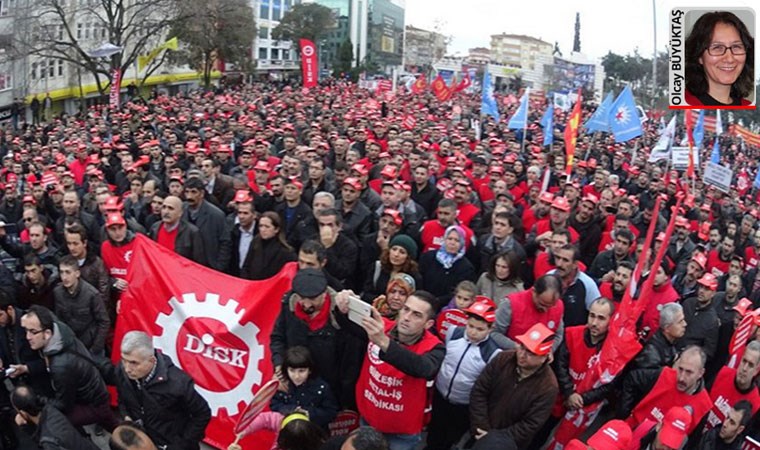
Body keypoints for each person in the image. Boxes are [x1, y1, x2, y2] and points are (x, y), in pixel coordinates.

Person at [334, 290, 445, 450]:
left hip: (401, 433)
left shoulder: (435, 348)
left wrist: (383, 342)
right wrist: (343, 306)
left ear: (428, 324)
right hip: (368, 419)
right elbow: (348, 325)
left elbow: (422, 367)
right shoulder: (382, 327)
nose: (407, 317)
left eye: (417, 315)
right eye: (406, 309)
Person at [19, 305, 119, 431]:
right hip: (96, 394)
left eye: (33, 332)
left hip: (93, 404)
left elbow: (64, 405)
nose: (28, 337)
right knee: (113, 426)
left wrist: (38, 399)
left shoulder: (60, 366)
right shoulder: (60, 330)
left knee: (58, 423)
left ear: (48, 333)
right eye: (26, 330)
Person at [271, 268, 358, 409]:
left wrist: (345, 402)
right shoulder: (288, 305)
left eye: (312, 299)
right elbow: (278, 338)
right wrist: (279, 365)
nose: (306, 304)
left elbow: (351, 362)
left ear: (324, 294)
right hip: (296, 387)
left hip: (330, 392)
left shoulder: (341, 315)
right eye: (301, 298)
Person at [110, 331, 211, 450]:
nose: (127, 369)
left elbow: (202, 414)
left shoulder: (178, 383)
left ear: (151, 361)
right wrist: (127, 416)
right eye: (124, 360)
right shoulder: (121, 371)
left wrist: (180, 445)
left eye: (133, 363)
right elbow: (123, 398)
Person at [468, 323, 560, 450]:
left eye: (531, 352)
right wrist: (481, 426)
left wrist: (493, 439)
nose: (522, 354)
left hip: (506, 445)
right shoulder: (502, 359)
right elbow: (480, 390)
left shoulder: (548, 387)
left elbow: (530, 424)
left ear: (544, 357)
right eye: (522, 347)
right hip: (479, 431)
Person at [426, 299, 501, 450]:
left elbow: (485, 383)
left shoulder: (493, 353)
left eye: (480, 329)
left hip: (463, 404)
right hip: (440, 394)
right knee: (434, 430)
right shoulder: (453, 332)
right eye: (470, 326)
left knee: (450, 437)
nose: (473, 332)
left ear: (490, 329)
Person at [620, 346, 712, 434]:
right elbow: (632, 378)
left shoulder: (703, 406)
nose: (681, 378)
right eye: (680, 369)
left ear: (700, 373)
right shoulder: (664, 375)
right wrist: (624, 414)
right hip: (631, 431)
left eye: (689, 372)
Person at [684, 11, 754, 106]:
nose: (729, 59)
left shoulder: (748, 105)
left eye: (736, 47)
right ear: (699, 56)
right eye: (717, 48)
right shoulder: (684, 103)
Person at [10, 385, 100, 450]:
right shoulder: (50, 408)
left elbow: (41, 439)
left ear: (23, 413)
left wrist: (26, 427)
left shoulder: (49, 441)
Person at [53, 255, 110, 355]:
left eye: (68, 272)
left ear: (77, 273)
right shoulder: (58, 292)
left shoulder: (91, 294)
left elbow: (104, 322)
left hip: (90, 345)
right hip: (70, 345)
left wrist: (95, 349)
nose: (64, 277)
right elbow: (59, 320)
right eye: (61, 272)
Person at [271, 346, 339, 429]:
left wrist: (308, 413)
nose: (296, 376)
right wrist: (290, 410)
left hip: (315, 432)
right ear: (286, 370)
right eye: (292, 370)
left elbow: (331, 412)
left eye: (301, 371)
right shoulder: (282, 386)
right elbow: (274, 405)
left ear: (309, 370)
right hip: (288, 430)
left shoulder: (321, 387)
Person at [491, 274, 565, 350]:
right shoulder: (510, 304)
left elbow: (558, 335)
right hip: (511, 356)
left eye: (551, 306)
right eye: (542, 304)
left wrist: (550, 349)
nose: (545, 310)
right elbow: (494, 333)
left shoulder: (558, 306)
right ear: (534, 291)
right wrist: (518, 348)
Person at [419, 225, 476, 305]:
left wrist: (437, 301)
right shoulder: (428, 257)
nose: (452, 243)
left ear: (462, 243)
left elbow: (459, 292)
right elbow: (420, 279)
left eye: (457, 240)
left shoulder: (466, 267)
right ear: (444, 239)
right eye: (449, 239)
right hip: (422, 301)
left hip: (446, 306)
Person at [149, 195, 206, 265]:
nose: (166, 212)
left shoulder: (192, 232)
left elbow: (198, 263)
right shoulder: (155, 228)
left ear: (180, 213)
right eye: (164, 207)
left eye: (171, 208)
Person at [363, 234, 420, 303]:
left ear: (408, 257)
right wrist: (381, 300)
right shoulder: (377, 267)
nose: (396, 254)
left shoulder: (414, 277)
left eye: (402, 252)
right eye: (394, 249)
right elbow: (366, 294)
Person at [241, 211, 296, 280]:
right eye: (261, 226)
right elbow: (246, 266)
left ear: (276, 229)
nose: (263, 230)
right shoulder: (255, 242)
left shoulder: (285, 251)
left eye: (267, 227)